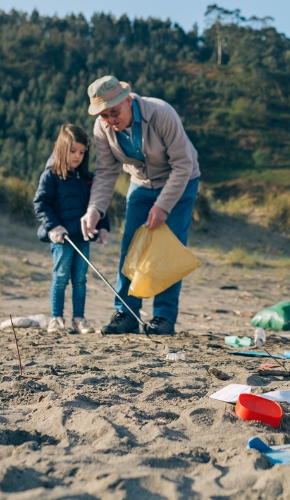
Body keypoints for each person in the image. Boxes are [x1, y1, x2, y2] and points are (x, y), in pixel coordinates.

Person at [81, 75, 201, 335]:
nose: (111, 120)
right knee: (131, 247)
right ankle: (126, 312)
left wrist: (163, 207)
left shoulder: (161, 113)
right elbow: (105, 172)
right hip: (142, 184)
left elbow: (183, 165)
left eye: (114, 112)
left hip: (180, 180)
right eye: (104, 116)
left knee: (167, 249)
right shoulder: (102, 129)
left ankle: (164, 317)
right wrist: (95, 210)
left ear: (127, 99)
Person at [33, 124, 110, 334]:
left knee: (80, 279)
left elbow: (98, 204)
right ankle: (56, 319)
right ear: (61, 149)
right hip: (62, 238)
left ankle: (79, 319)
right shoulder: (51, 176)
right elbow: (41, 204)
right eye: (72, 151)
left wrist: (103, 227)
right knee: (60, 277)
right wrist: (54, 227)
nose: (77, 156)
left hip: (83, 237)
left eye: (82, 152)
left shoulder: (87, 178)